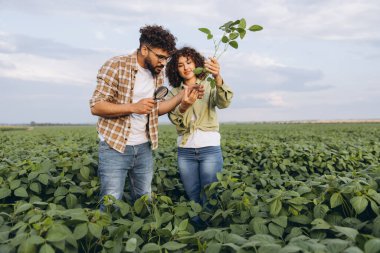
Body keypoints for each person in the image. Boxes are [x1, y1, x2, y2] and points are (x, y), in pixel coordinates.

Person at [89, 25, 199, 210]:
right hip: (115, 146)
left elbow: (156, 110)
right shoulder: (115, 65)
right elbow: (96, 106)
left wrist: (183, 95)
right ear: (144, 49)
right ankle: (107, 237)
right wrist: (133, 107)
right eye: (160, 57)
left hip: (144, 146)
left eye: (167, 58)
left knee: (144, 200)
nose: (164, 63)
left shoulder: (157, 73)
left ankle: (140, 237)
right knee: (111, 201)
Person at [166, 47, 233, 208]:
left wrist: (217, 76)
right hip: (185, 151)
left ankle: (210, 230)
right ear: (176, 69)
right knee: (193, 195)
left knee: (210, 194)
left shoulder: (208, 84)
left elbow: (224, 102)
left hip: (209, 148)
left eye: (189, 62)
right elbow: (175, 119)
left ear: (196, 63)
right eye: (180, 65)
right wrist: (184, 105)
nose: (186, 67)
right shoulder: (173, 93)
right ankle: (197, 229)